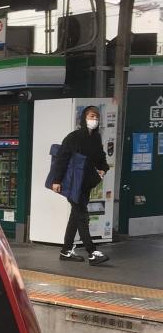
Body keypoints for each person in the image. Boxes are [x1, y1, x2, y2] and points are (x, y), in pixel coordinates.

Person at [50, 106, 109, 265]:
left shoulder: (96, 138)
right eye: (91, 116)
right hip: (71, 183)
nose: (94, 119)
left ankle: (66, 251)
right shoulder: (73, 137)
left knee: (75, 217)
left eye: (96, 117)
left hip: (85, 184)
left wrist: (103, 168)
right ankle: (92, 252)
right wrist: (56, 181)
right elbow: (62, 159)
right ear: (84, 118)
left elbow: (100, 157)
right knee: (82, 216)